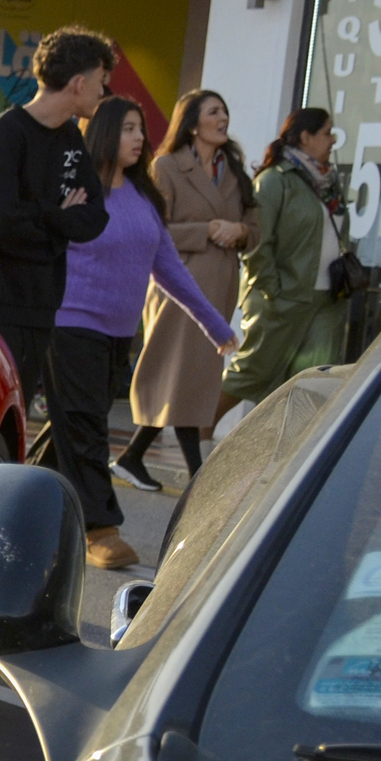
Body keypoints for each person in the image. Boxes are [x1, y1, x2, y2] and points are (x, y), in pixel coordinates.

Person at [50, 97, 239, 569]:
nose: (139, 138)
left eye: (141, 129)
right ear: (105, 133)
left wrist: (216, 327)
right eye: (129, 129)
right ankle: (100, 529)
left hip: (117, 335)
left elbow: (170, 269)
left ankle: (24, 507)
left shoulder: (142, 197)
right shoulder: (77, 190)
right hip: (70, 326)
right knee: (87, 426)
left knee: (70, 430)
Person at [0, 25, 115, 435]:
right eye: (100, 83)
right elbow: (3, 225)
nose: (102, 94)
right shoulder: (6, 132)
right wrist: (58, 217)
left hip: (41, 304)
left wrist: (43, 218)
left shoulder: (71, 139)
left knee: (15, 416)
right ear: (78, 84)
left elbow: (94, 217)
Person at [116, 88, 258, 492]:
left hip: (220, 285)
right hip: (178, 286)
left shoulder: (234, 170)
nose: (224, 118)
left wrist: (242, 231)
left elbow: (257, 229)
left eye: (225, 111)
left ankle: (133, 457)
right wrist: (207, 230)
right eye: (214, 112)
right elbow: (153, 230)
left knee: (192, 377)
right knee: (176, 373)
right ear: (193, 123)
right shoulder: (167, 167)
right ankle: (198, 475)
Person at [222, 107, 348, 407]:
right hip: (282, 295)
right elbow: (257, 240)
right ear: (306, 137)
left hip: (325, 298)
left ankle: (288, 451)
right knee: (252, 373)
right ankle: (199, 441)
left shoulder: (328, 183)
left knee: (311, 381)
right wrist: (272, 290)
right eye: (327, 133)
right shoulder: (275, 180)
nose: (333, 140)